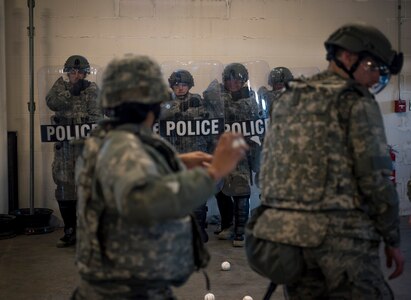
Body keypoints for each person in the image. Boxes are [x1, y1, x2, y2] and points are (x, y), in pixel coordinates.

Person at [72, 55, 248, 299]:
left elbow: (138, 172)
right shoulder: (123, 149)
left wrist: (176, 162)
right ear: (153, 101)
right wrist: (213, 173)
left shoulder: (115, 138)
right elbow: (145, 201)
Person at [257, 23, 404, 298]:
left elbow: (269, 168)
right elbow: (375, 181)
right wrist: (392, 238)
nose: (375, 79)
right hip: (343, 246)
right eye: (372, 67)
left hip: (290, 242)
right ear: (347, 57)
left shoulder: (288, 98)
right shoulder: (356, 103)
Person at [45, 55, 101, 247]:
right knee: (64, 188)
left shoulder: (92, 89)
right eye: (72, 71)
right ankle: (70, 230)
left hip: (86, 148)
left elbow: (98, 117)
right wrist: (71, 92)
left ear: (86, 73)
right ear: (67, 72)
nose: (76, 75)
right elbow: (52, 103)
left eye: (80, 72)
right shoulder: (60, 86)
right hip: (65, 149)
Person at [159, 69, 214, 242]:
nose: (180, 88)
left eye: (183, 85)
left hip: (195, 153)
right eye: (176, 85)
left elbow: (210, 122)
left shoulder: (198, 101)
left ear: (189, 85)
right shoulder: (166, 102)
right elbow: (162, 116)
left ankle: (198, 230)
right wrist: (179, 107)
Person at [211, 63, 262, 247]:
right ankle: (227, 225)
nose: (233, 83)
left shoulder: (250, 99)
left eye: (237, 80)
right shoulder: (219, 98)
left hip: (242, 151)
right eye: (229, 80)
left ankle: (241, 230)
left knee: (241, 192)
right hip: (223, 152)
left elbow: (255, 120)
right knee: (221, 190)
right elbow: (213, 112)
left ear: (243, 81)